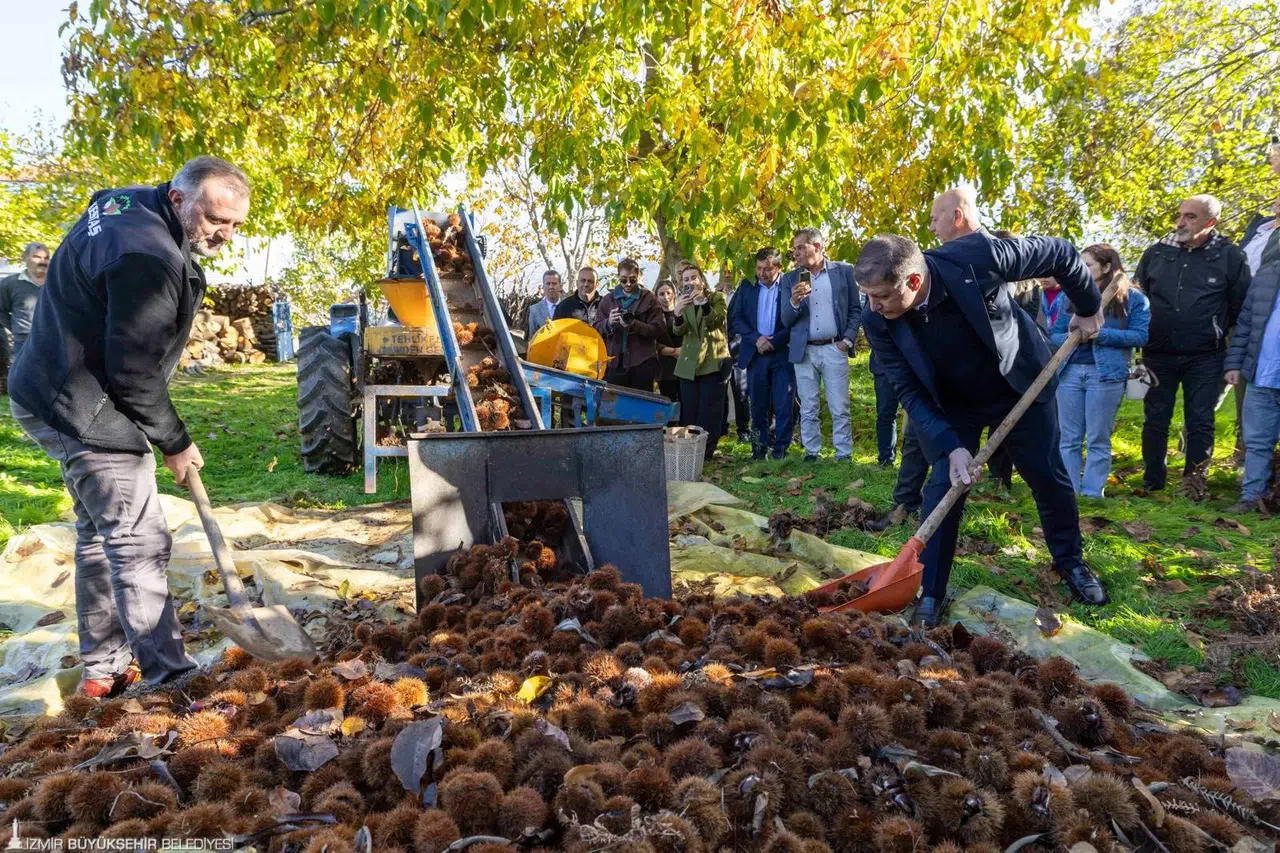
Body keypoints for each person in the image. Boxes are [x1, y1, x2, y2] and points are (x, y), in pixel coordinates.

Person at [8, 156, 251, 696]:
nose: (225, 235)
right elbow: (133, 370)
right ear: (180, 198)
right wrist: (174, 440)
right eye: (216, 220)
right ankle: (169, 675)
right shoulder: (147, 256)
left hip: (47, 386)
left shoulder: (125, 202)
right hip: (80, 403)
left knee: (101, 534)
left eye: (236, 224)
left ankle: (104, 669)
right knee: (138, 536)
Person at [857, 231, 1108, 627]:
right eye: (868, 296)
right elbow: (908, 389)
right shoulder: (876, 317)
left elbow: (1059, 253)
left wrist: (1088, 305)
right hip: (952, 404)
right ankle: (932, 590)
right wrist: (950, 446)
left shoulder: (978, 256)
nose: (872, 306)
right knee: (944, 487)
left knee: (1046, 475)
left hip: (1019, 384)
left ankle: (1070, 562)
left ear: (914, 282)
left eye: (882, 296)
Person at [1135, 194, 1251, 499]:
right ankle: (1152, 481)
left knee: (1200, 420)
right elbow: (1136, 299)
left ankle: (1194, 484)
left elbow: (1241, 310)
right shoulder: (1157, 253)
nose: (1180, 222)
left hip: (1206, 356)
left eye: (1190, 217)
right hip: (1157, 352)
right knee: (1154, 418)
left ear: (1210, 222)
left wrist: (1235, 357)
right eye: (1180, 215)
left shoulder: (1230, 256)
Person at [1052, 244, 1150, 497]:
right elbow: (1054, 335)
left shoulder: (1134, 299)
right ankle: (1068, 491)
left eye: (1087, 265)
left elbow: (1140, 336)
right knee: (1069, 438)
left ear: (1106, 267)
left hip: (1105, 375)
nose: (1081, 270)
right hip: (1070, 372)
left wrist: (1101, 335)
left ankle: (1093, 493)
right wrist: (1074, 335)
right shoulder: (1069, 295)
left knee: (1098, 438)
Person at [780, 227, 861, 461]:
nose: (795, 253)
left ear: (817, 246)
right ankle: (812, 452)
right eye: (793, 249)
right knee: (808, 405)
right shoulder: (790, 279)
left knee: (839, 405)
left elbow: (856, 308)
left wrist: (847, 340)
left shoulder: (844, 271)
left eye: (800, 247)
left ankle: (843, 454)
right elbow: (785, 319)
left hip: (834, 347)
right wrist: (794, 301)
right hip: (804, 350)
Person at [1224, 193, 1280, 512]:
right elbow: (1245, 322)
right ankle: (1251, 498)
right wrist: (1235, 364)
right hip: (1261, 372)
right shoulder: (1266, 276)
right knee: (1257, 441)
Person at [730, 247, 795, 459]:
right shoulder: (747, 286)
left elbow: (797, 318)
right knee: (757, 405)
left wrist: (775, 341)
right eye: (759, 268)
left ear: (779, 267)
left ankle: (781, 451)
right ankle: (758, 450)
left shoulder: (790, 285)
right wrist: (756, 339)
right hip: (755, 353)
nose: (762, 273)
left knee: (783, 403)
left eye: (767, 269)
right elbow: (737, 318)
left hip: (782, 353)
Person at [674, 262, 730, 459]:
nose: (690, 282)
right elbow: (679, 331)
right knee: (689, 410)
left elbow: (716, 321)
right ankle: (690, 451)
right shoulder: (682, 301)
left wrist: (702, 303)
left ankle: (706, 453)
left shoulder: (716, 298)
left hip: (713, 361)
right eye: (686, 279)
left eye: (693, 278)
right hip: (689, 364)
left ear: (702, 280)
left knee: (709, 411)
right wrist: (677, 314)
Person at [594, 258, 665, 391]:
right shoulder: (608, 300)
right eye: (623, 280)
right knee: (614, 405)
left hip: (642, 360)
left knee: (641, 404)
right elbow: (596, 329)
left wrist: (634, 325)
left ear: (638, 276)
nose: (628, 284)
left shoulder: (649, 298)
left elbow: (659, 329)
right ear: (618, 277)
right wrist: (608, 323)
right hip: (614, 362)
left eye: (632, 280)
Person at [0, 241, 50, 363]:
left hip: (55, 338)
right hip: (24, 341)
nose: (42, 261)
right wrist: (17, 329)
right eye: (37, 257)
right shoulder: (10, 283)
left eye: (46, 258)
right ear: (25, 258)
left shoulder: (56, 282)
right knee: (28, 377)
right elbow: (1, 310)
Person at [723, 277, 752, 443]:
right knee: (739, 391)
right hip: (735, 350)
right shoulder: (740, 291)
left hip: (749, 347)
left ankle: (759, 429)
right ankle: (743, 430)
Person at [654, 279, 683, 406]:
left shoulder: (683, 312)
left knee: (686, 403)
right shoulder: (654, 316)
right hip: (665, 368)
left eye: (668, 293)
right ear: (656, 296)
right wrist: (672, 351)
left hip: (684, 363)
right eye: (661, 294)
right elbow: (651, 340)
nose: (666, 297)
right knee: (669, 403)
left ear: (674, 294)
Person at [527, 269, 562, 340]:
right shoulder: (534, 310)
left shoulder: (569, 306)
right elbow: (532, 338)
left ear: (560, 286)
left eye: (554, 283)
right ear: (543, 287)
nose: (551, 287)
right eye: (548, 283)